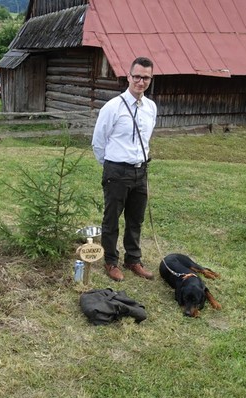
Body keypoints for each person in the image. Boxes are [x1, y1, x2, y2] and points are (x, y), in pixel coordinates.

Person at [92, 57, 157, 282]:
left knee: (135, 219)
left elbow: (147, 139)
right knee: (111, 219)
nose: (141, 81)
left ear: (150, 79)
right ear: (128, 76)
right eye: (137, 76)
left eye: (146, 77)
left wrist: (139, 164)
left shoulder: (151, 108)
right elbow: (98, 142)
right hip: (117, 172)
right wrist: (111, 166)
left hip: (141, 171)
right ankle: (111, 261)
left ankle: (133, 259)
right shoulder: (113, 107)